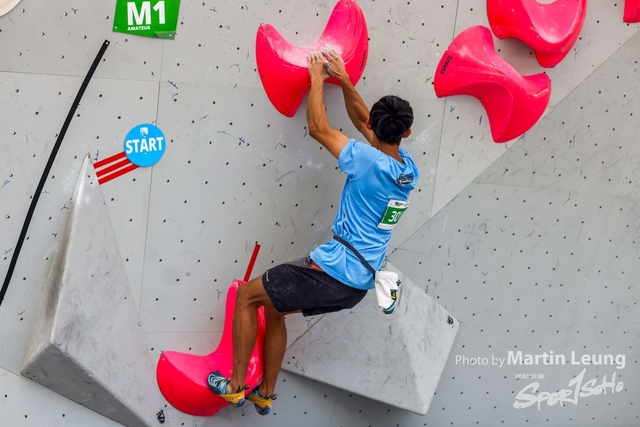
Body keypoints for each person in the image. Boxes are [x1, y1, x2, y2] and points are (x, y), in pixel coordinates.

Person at [207, 47, 420, 415]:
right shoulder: (406, 169)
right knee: (274, 309)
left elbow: (320, 128)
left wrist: (317, 80)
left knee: (246, 297)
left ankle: (235, 386)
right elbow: (364, 123)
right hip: (357, 284)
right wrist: (346, 81)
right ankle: (265, 394)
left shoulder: (366, 160)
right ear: (407, 132)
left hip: (333, 271)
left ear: (373, 126)